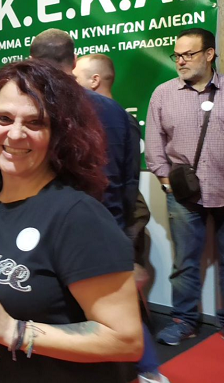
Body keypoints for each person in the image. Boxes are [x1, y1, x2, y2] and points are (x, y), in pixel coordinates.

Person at [0, 59, 143, 382]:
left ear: (59, 133)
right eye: (3, 118)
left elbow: (126, 339)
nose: (15, 134)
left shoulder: (78, 215)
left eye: (35, 122)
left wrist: (15, 331)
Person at [74, 54, 169, 383]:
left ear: (95, 81)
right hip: (118, 219)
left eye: (76, 77)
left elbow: (119, 182)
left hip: (108, 221)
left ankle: (146, 370)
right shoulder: (122, 119)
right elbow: (129, 182)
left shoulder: (103, 118)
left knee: (115, 301)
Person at [145, 28, 224, 352]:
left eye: (189, 54)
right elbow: (154, 145)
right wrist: (166, 184)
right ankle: (184, 321)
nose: (180, 61)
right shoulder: (163, 94)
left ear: (209, 54)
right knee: (185, 263)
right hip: (184, 198)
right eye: (177, 55)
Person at [31, 29, 139, 232]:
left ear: (31, 61)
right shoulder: (114, 111)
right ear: (74, 61)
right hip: (108, 225)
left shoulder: (26, 107)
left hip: (44, 229)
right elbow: (129, 181)